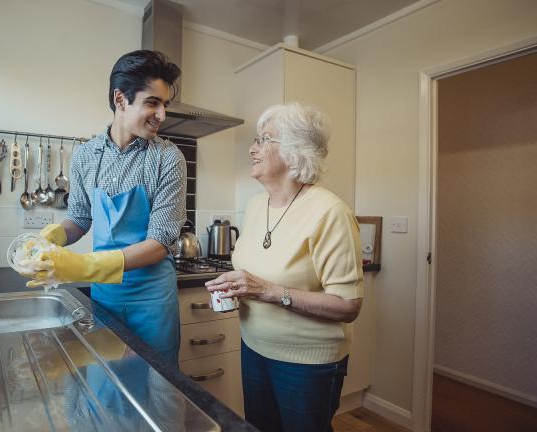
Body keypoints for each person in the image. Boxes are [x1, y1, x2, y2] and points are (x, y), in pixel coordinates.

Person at [205, 103, 363, 432]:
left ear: (295, 151)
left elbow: (348, 306)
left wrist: (270, 292)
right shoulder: (254, 205)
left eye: (264, 140)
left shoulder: (329, 212)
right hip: (254, 348)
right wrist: (236, 289)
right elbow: (256, 272)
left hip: (307, 363)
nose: (252, 148)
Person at [23, 50, 186, 364]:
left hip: (153, 302)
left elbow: (159, 244)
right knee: (108, 384)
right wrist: (52, 237)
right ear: (121, 99)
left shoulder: (168, 158)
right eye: (152, 102)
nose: (162, 115)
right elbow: (80, 218)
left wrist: (84, 267)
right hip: (105, 299)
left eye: (165, 105)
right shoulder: (86, 155)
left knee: (157, 388)